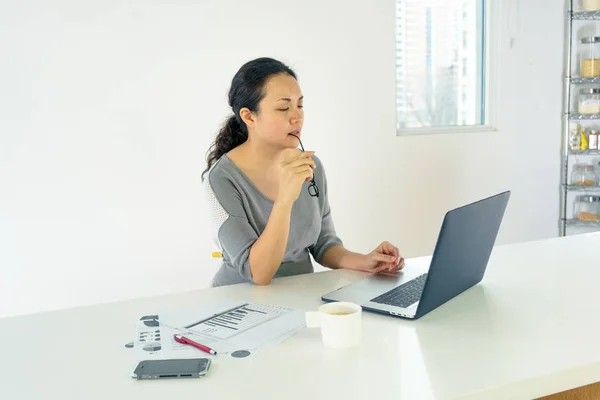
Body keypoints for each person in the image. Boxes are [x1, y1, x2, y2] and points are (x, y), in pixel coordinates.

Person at [202, 57, 405, 287]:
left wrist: (366, 261)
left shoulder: (310, 166)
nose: (296, 116)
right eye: (283, 107)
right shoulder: (222, 178)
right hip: (239, 304)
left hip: (300, 295)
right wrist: (285, 199)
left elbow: (323, 244)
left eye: (300, 105)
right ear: (249, 116)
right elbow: (258, 273)